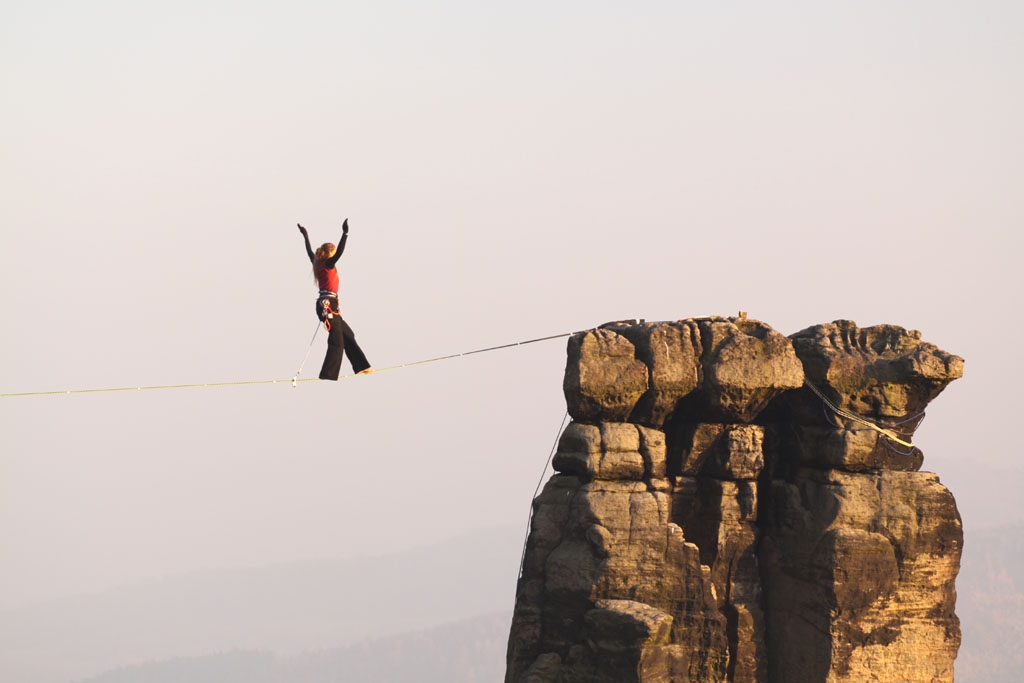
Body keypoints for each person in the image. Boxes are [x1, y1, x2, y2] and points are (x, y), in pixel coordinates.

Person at [297, 219, 373, 380]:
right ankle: (328, 373)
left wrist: (305, 236)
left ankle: (361, 367)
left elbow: (309, 251)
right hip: (326, 305)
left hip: (331, 305)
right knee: (336, 339)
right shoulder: (327, 264)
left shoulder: (317, 263)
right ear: (330, 254)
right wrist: (345, 233)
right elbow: (340, 253)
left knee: (348, 335)